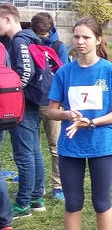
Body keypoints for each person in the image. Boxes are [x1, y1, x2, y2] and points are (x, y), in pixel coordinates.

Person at [47, 17, 112, 230]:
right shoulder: (64, 73)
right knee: (73, 203)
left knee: (101, 202)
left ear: (98, 40)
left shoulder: (110, 72)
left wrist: (92, 122)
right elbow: (51, 111)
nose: (80, 42)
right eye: (76, 37)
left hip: (102, 145)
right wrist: (67, 115)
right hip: (70, 146)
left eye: (86, 37)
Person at [0, 3, 46, 219]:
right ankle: (36, 197)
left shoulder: (19, 41)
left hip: (22, 105)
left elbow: (26, 71)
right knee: (33, 150)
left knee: (24, 153)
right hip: (30, 102)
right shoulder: (29, 39)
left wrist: (13, 95)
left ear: (8, 19)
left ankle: (23, 203)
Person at [31, 12, 70, 201]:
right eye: (39, 33)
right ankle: (34, 186)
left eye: (44, 33)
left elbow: (64, 74)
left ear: (51, 29)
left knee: (55, 146)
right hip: (30, 103)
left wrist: (62, 101)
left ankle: (58, 186)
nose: (41, 37)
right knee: (32, 148)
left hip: (51, 103)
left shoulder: (58, 46)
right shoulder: (27, 44)